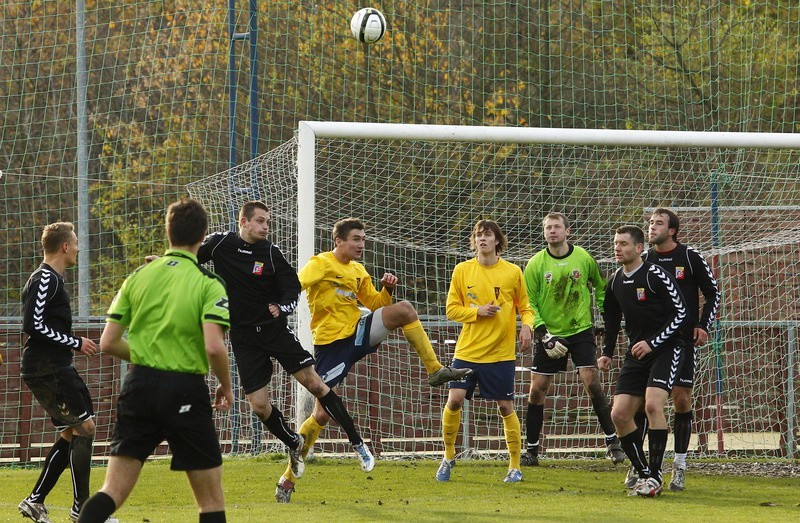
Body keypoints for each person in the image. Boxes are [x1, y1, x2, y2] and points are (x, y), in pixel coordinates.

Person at [193, 201, 367, 504]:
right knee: (259, 406)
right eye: (260, 221)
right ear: (243, 221)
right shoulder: (219, 244)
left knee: (315, 384)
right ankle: (293, 441)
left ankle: (358, 443)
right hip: (244, 338)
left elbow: (291, 288)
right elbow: (189, 257)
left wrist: (282, 306)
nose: (265, 227)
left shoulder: (271, 253)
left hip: (274, 332)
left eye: (268, 222)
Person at [78, 198, 233, 523]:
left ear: (167, 232)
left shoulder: (139, 276)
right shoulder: (208, 283)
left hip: (139, 386)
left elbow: (108, 342)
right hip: (185, 390)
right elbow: (215, 348)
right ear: (203, 234)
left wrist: (149, 353)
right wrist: (224, 385)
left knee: (112, 492)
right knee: (210, 501)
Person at [289, 217, 472, 492]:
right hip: (331, 345)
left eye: (363, 239)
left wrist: (387, 290)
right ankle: (289, 478)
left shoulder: (359, 270)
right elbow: (297, 285)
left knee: (405, 310)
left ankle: (435, 369)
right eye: (356, 239)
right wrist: (278, 306)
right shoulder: (321, 263)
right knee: (322, 414)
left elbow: (374, 303)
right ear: (338, 241)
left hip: (358, 332)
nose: (361, 244)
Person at [18, 222, 109, 523]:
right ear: (65, 247)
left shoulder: (54, 279)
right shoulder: (45, 278)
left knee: (73, 433)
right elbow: (34, 325)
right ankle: (82, 510)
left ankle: (35, 501)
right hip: (46, 368)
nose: (80, 248)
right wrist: (76, 342)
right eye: (76, 242)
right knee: (86, 428)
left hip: (54, 366)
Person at [623, 208, 719, 491]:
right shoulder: (645, 259)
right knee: (645, 401)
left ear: (673, 230)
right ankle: (641, 465)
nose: (652, 227)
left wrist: (703, 324)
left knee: (681, 399)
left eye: (659, 223)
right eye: (650, 223)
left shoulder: (689, 257)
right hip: (651, 343)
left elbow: (713, 291)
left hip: (681, 341)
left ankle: (679, 464)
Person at [520, 213, 625, 467]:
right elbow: (528, 303)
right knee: (537, 390)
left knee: (592, 382)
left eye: (557, 227)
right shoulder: (535, 264)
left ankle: (613, 443)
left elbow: (602, 288)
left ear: (568, 231)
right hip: (550, 333)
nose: (552, 231)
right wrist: (544, 334)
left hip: (580, 330)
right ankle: (531, 449)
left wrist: (603, 317)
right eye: (548, 228)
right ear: (543, 232)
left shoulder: (583, 258)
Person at [435, 219, 533, 483]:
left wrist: (527, 328)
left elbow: (526, 307)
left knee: (504, 406)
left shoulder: (513, 272)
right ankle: (447, 457)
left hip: (500, 354)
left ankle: (514, 466)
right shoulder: (462, 270)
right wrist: (477, 311)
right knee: (454, 400)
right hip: (467, 351)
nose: (482, 239)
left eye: (487, 235)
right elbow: (451, 309)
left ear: (497, 241)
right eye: (478, 235)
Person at [599, 225, 688, 498]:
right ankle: (644, 473)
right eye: (615, 243)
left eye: (624, 244)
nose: (617, 248)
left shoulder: (655, 275)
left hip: (666, 349)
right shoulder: (614, 280)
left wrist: (653, 342)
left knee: (652, 405)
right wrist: (607, 352)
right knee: (619, 414)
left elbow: (681, 313)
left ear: (639, 248)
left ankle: (656, 474)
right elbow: (611, 318)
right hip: (636, 354)